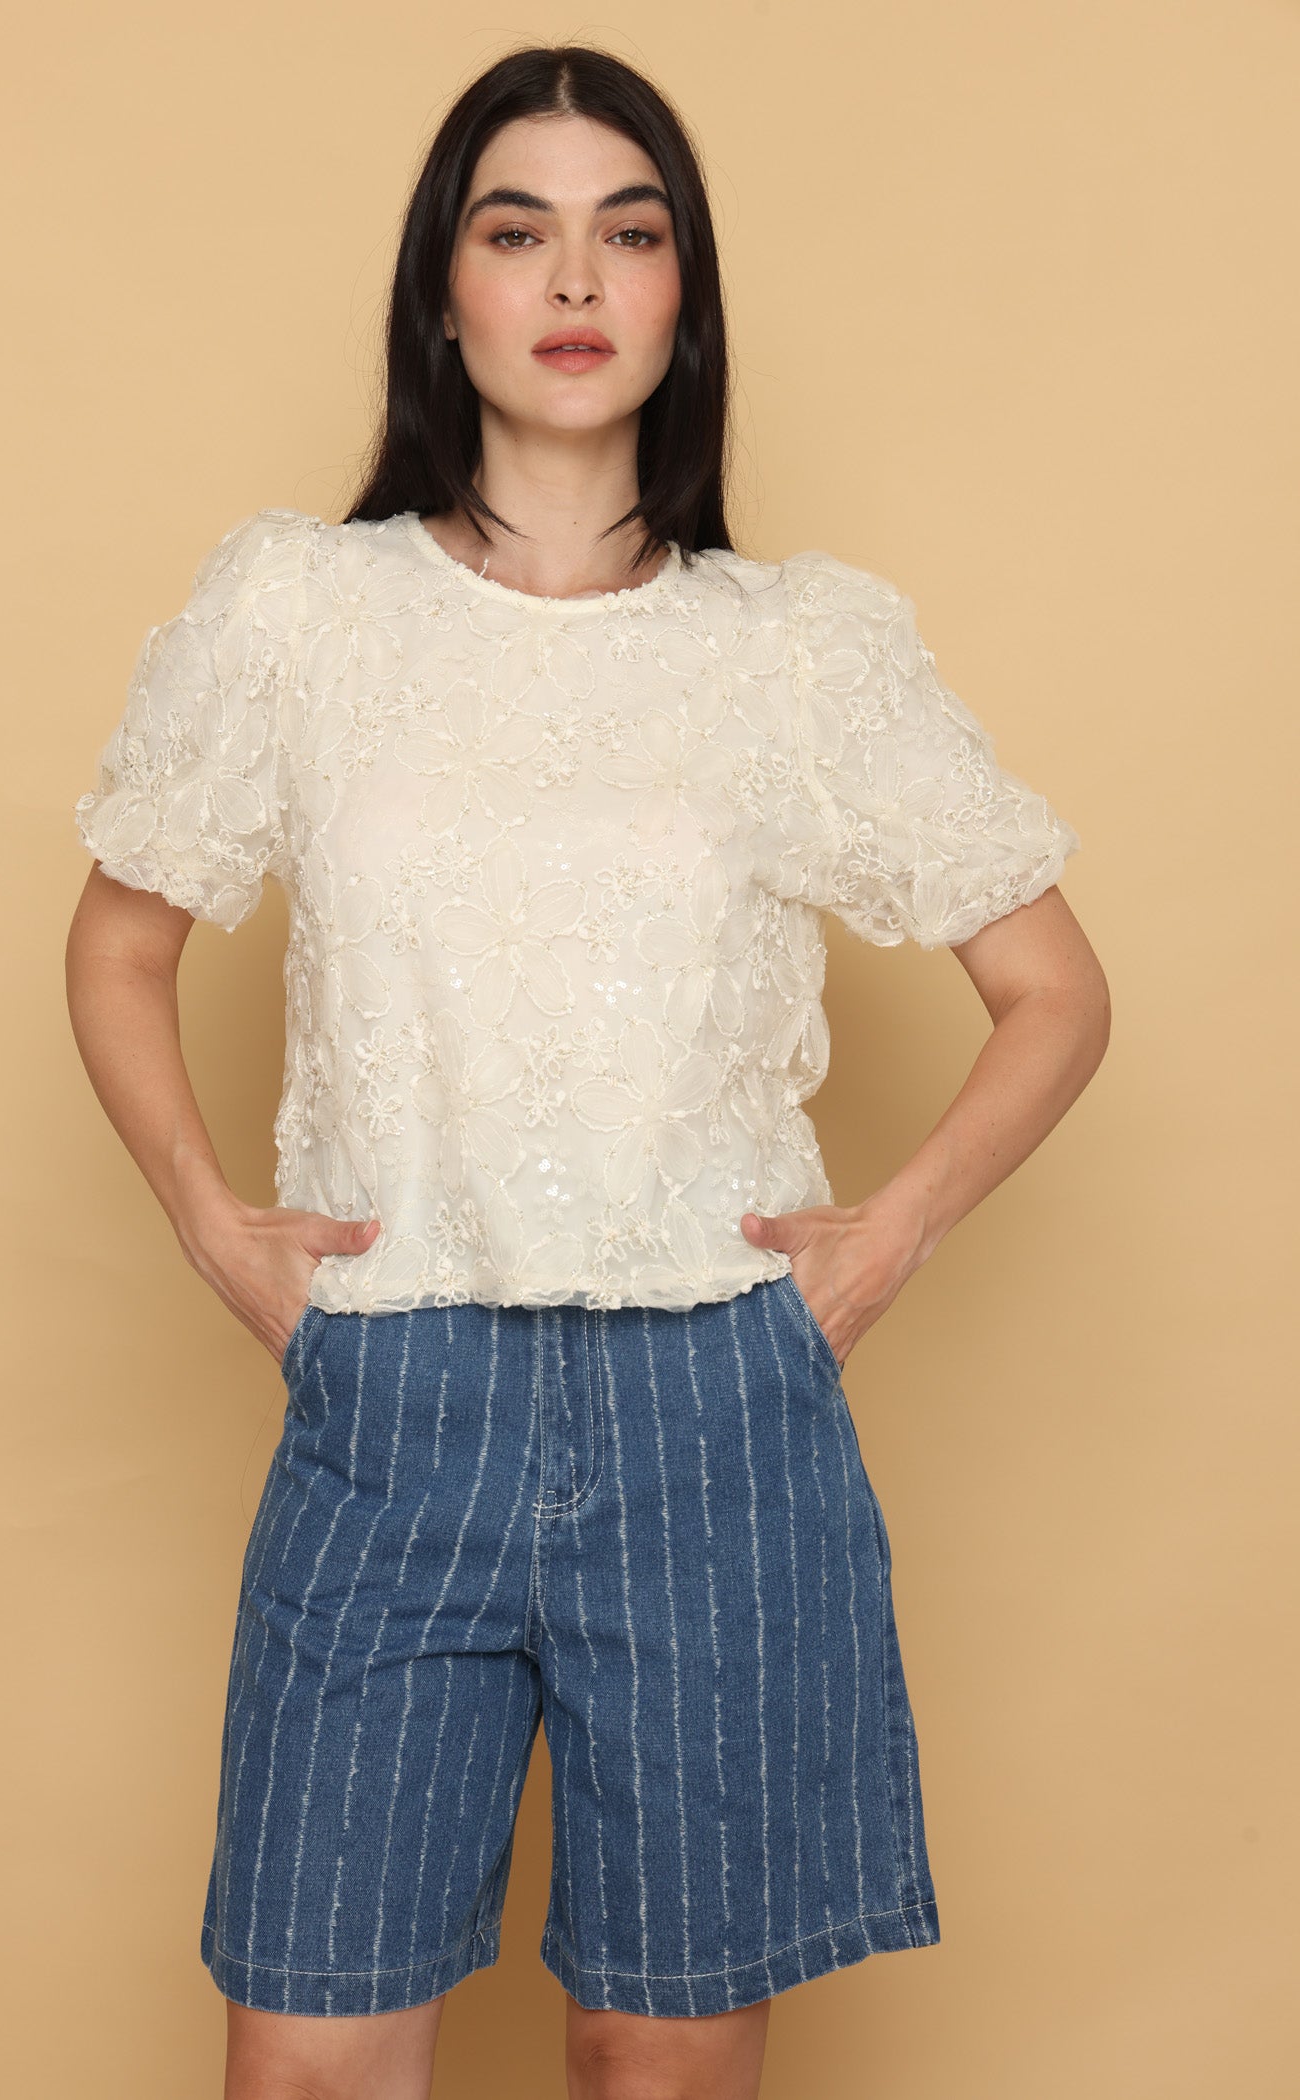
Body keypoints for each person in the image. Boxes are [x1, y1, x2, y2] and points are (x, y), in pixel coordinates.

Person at [65, 41, 1109, 2100]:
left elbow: (1056, 992)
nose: (571, 279)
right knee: (308, 2053)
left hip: (717, 1414)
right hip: (392, 1399)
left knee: (657, 2054)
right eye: (515, 229)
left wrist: (885, 1237)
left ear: (681, 298)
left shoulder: (794, 647)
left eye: (628, 234)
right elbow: (119, 944)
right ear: (442, 291)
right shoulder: (301, 607)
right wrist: (211, 1222)